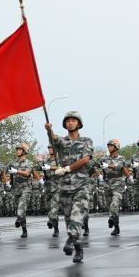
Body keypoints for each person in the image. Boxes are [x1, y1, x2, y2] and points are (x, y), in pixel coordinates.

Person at [45, 111, 94, 263]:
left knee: (76, 215)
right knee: (68, 219)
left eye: (73, 120)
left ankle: (70, 240)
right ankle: (78, 248)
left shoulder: (86, 141)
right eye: (68, 121)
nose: (70, 123)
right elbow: (53, 139)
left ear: (79, 124)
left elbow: (86, 159)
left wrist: (67, 168)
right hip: (65, 186)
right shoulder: (62, 141)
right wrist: (49, 130)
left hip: (81, 185)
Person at [100, 139, 130, 236]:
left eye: (111, 146)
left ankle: (111, 218)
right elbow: (95, 165)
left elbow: (118, 166)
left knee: (115, 203)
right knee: (110, 206)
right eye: (108, 146)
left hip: (118, 183)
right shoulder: (104, 158)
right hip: (107, 183)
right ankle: (116, 226)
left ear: (116, 147)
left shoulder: (121, 158)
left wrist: (108, 165)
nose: (109, 147)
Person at [8, 143, 34, 238]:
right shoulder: (12, 163)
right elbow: (4, 170)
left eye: (19, 149)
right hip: (16, 188)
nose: (17, 151)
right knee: (19, 209)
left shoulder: (29, 163)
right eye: (17, 149)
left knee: (21, 205)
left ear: (24, 151)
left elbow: (27, 173)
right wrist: (7, 181)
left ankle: (18, 218)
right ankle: (24, 230)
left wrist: (17, 171)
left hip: (26, 188)